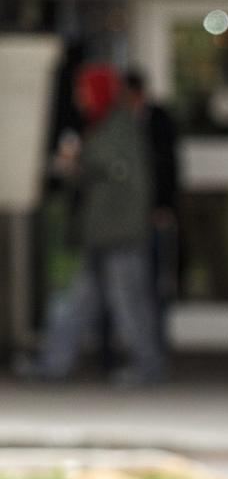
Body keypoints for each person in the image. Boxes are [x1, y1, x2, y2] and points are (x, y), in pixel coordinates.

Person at [25, 64, 165, 386]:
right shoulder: (101, 126)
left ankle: (147, 368)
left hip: (121, 236)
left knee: (129, 304)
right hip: (101, 235)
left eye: (84, 90)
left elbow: (117, 176)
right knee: (77, 304)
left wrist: (77, 163)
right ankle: (53, 364)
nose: (79, 98)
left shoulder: (119, 128)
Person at [124, 67, 180, 352]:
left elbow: (169, 166)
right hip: (127, 218)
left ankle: (156, 346)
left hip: (153, 212)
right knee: (131, 286)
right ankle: (138, 350)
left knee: (156, 281)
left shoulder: (159, 120)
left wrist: (165, 206)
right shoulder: (117, 122)